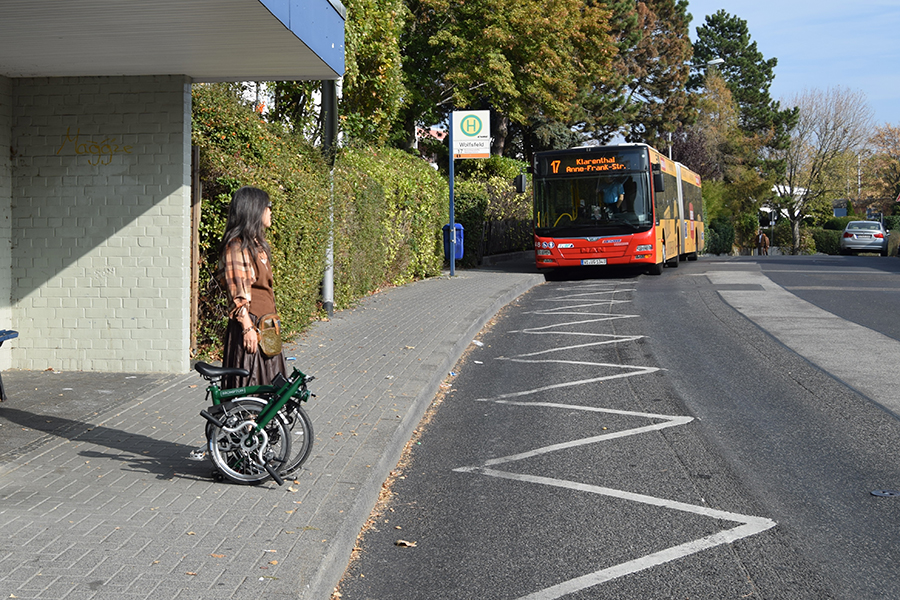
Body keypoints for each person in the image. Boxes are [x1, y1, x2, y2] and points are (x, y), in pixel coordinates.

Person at [218, 186, 288, 388]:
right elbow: (236, 291)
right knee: (252, 386)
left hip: (267, 325)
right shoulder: (236, 245)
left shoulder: (257, 244)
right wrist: (247, 327)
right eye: (268, 206)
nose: (270, 211)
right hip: (251, 325)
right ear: (254, 209)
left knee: (271, 385)